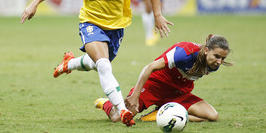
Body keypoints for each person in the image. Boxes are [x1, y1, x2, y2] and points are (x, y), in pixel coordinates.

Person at [20, 0, 173, 127]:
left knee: (99, 63)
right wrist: (34, 3)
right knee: (103, 65)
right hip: (90, 23)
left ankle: (70, 63)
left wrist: (158, 15)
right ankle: (122, 110)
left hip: (116, 28)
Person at [94, 34, 233, 123]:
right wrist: (135, 95)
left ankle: (160, 114)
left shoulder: (213, 65)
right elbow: (149, 67)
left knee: (212, 116)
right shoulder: (184, 53)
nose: (219, 62)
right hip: (154, 86)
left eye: (223, 58)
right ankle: (106, 103)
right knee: (117, 118)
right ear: (207, 50)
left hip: (178, 93)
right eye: (217, 56)